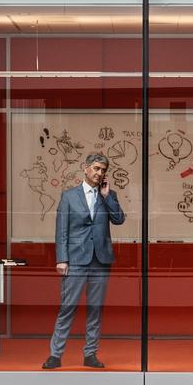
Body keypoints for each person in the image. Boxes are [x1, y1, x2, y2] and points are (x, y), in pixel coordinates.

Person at [42, 153, 125, 370]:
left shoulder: (109, 195)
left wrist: (108, 197)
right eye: (96, 168)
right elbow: (61, 230)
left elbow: (119, 219)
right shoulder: (68, 196)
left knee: (95, 309)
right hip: (76, 260)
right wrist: (62, 259)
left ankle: (90, 354)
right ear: (85, 168)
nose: (100, 173)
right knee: (67, 307)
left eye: (103, 170)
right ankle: (55, 354)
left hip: (100, 260)